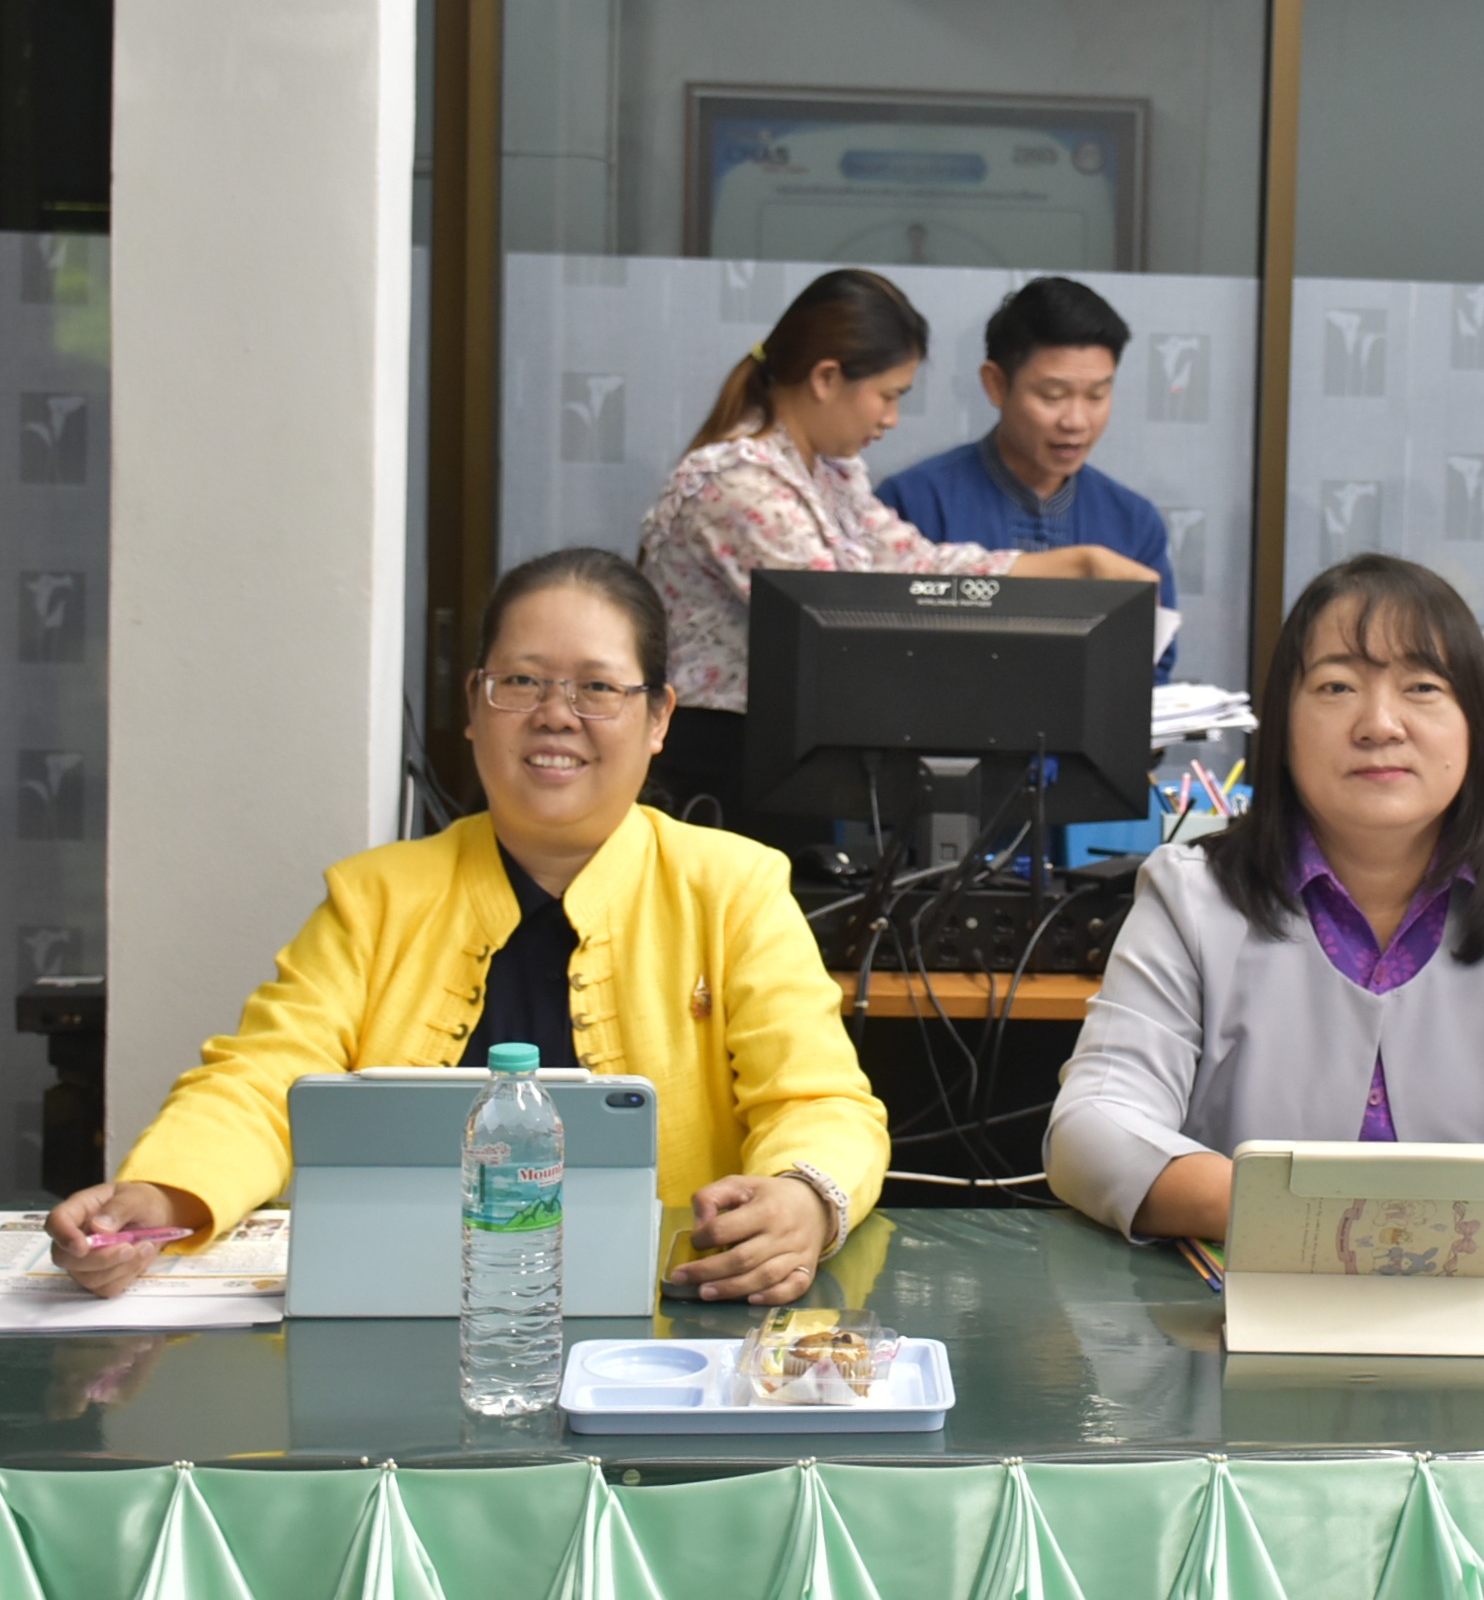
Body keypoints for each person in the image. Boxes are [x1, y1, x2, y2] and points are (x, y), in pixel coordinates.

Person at [46, 549, 890, 1304]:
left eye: (597, 688)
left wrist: (804, 1197)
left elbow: (818, 1099)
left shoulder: (733, 888)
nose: (555, 714)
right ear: (474, 706)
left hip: (664, 1326)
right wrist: (166, 1194)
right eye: (521, 682)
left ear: (660, 716)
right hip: (404, 1312)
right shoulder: (376, 898)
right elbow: (263, 1082)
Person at [1045, 553, 1484, 1240]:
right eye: (1336, 686)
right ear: (1283, 726)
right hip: (1241, 1294)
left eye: (1422, 687)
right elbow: (1094, 1124)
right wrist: (1308, 1219)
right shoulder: (1192, 896)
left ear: (1474, 724)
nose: (1379, 724)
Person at [636, 268, 1155, 836]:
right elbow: (844, 632)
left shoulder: (829, 474)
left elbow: (918, 566)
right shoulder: (742, 485)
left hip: (780, 767)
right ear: (826, 378)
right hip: (720, 770)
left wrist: (1077, 566)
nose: (891, 418)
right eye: (888, 395)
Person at [875, 277, 1179, 681]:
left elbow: (1153, 670)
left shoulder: (1134, 522)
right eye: (1053, 395)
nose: (1076, 421)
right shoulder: (913, 503)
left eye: (1096, 396)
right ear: (996, 384)